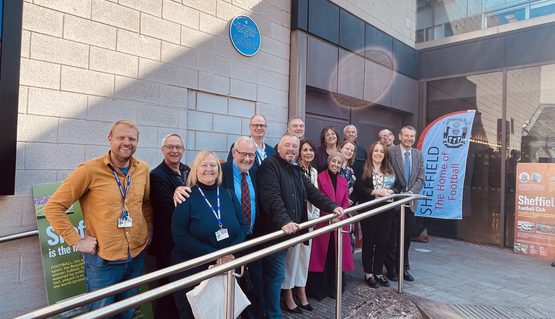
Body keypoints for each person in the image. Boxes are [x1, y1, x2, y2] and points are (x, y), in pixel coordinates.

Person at [44, 119, 152, 319]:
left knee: (128, 312)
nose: (127, 142)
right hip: (103, 260)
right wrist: (77, 240)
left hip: (136, 255)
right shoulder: (89, 170)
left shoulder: (142, 169)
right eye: (121, 137)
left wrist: (149, 231)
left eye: (132, 138)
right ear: (109, 139)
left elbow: (145, 202)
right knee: (101, 315)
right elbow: (53, 207)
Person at [256, 133, 344, 319]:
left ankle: (270, 311)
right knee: (276, 276)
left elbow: (313, 193)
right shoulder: (270, 165)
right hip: (275, 233)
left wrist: (333, 207)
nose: (291, 149)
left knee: (278, 275)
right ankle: (273, 315)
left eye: (294, 146)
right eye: (287, 145)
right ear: (278, 147)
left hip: (293, 233)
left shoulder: (295, 169)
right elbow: (272, 198)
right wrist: (285, 221)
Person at [170, 151, 248, 319]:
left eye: (213, 165)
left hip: (225, 266)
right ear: (196, 170)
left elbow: (243, 226)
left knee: (224, 312)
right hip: (194, 270)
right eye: (203, 165)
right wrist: (215, 256)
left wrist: (229, 254)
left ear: (218, 170)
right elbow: (180, 235)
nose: (209, 169)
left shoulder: (228, 194)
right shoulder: (186, 196)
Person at [221, 136, 264, 319]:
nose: (247, 159)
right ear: (233, 153)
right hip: (229, 241)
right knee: (230, 284)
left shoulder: (255, 171)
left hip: (252, 237)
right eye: (243, 154)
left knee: (256, 281)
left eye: (251, 155)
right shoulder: (221, 171)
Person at [149, 133, 190, 318]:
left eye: (178, 147)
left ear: (183, 150)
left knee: (183, 288)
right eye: (170, 147)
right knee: (167, 289)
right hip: (167, 243)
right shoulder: (157, 175)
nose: (175, 151)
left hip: (183, 241)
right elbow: (168, 208)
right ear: (162, 150)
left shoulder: (187, 170)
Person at [306, 152, 353, 301]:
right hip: (323, 222)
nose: (336, 164)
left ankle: (334, 289)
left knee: (336, 257)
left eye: (339, 162)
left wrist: (340, 216)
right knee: (322, 257)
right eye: (334, 161)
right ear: (328, 161)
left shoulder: (343, 180)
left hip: (338, 223)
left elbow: (345, 202)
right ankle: (319, 290)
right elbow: (317, 198)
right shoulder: (320, 178)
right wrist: (329, 216)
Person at [281, 139, 319, 313]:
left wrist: (315, 218)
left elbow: (315, 194)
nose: (308, 153)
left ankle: (301, 290)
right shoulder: (293, 168)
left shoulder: (314, 171)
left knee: (304, 258)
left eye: (311, 150)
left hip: (310, 219)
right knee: (292, 258)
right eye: (304, 149)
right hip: (295, 219)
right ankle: (288, 293)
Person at [354, 141, 397, 288]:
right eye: (376, 151)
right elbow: (359, 187)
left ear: (385, 154)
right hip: (370, 210)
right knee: (369, 242)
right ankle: (368, 273)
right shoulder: (364, 168)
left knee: (383, 242)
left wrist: (392, 192)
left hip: (386, 211)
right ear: (371, 152)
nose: (378, 153)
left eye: (381, 151)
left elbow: (397, 187)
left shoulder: (389, 169)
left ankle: (378, 272)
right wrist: (375, 192)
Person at [385, 126, 424, 282]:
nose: (409, 138)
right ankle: (391, 269)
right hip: (394, 201)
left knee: (406, 238)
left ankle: (404, 268)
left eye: (412, 136)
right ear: (400, 136)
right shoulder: (391, 152)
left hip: (409, 202)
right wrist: (395, 192)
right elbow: (386, 173)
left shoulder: (418, 154)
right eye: (406, 135)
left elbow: (421, 178)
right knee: (392, 238)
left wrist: (409, 194)